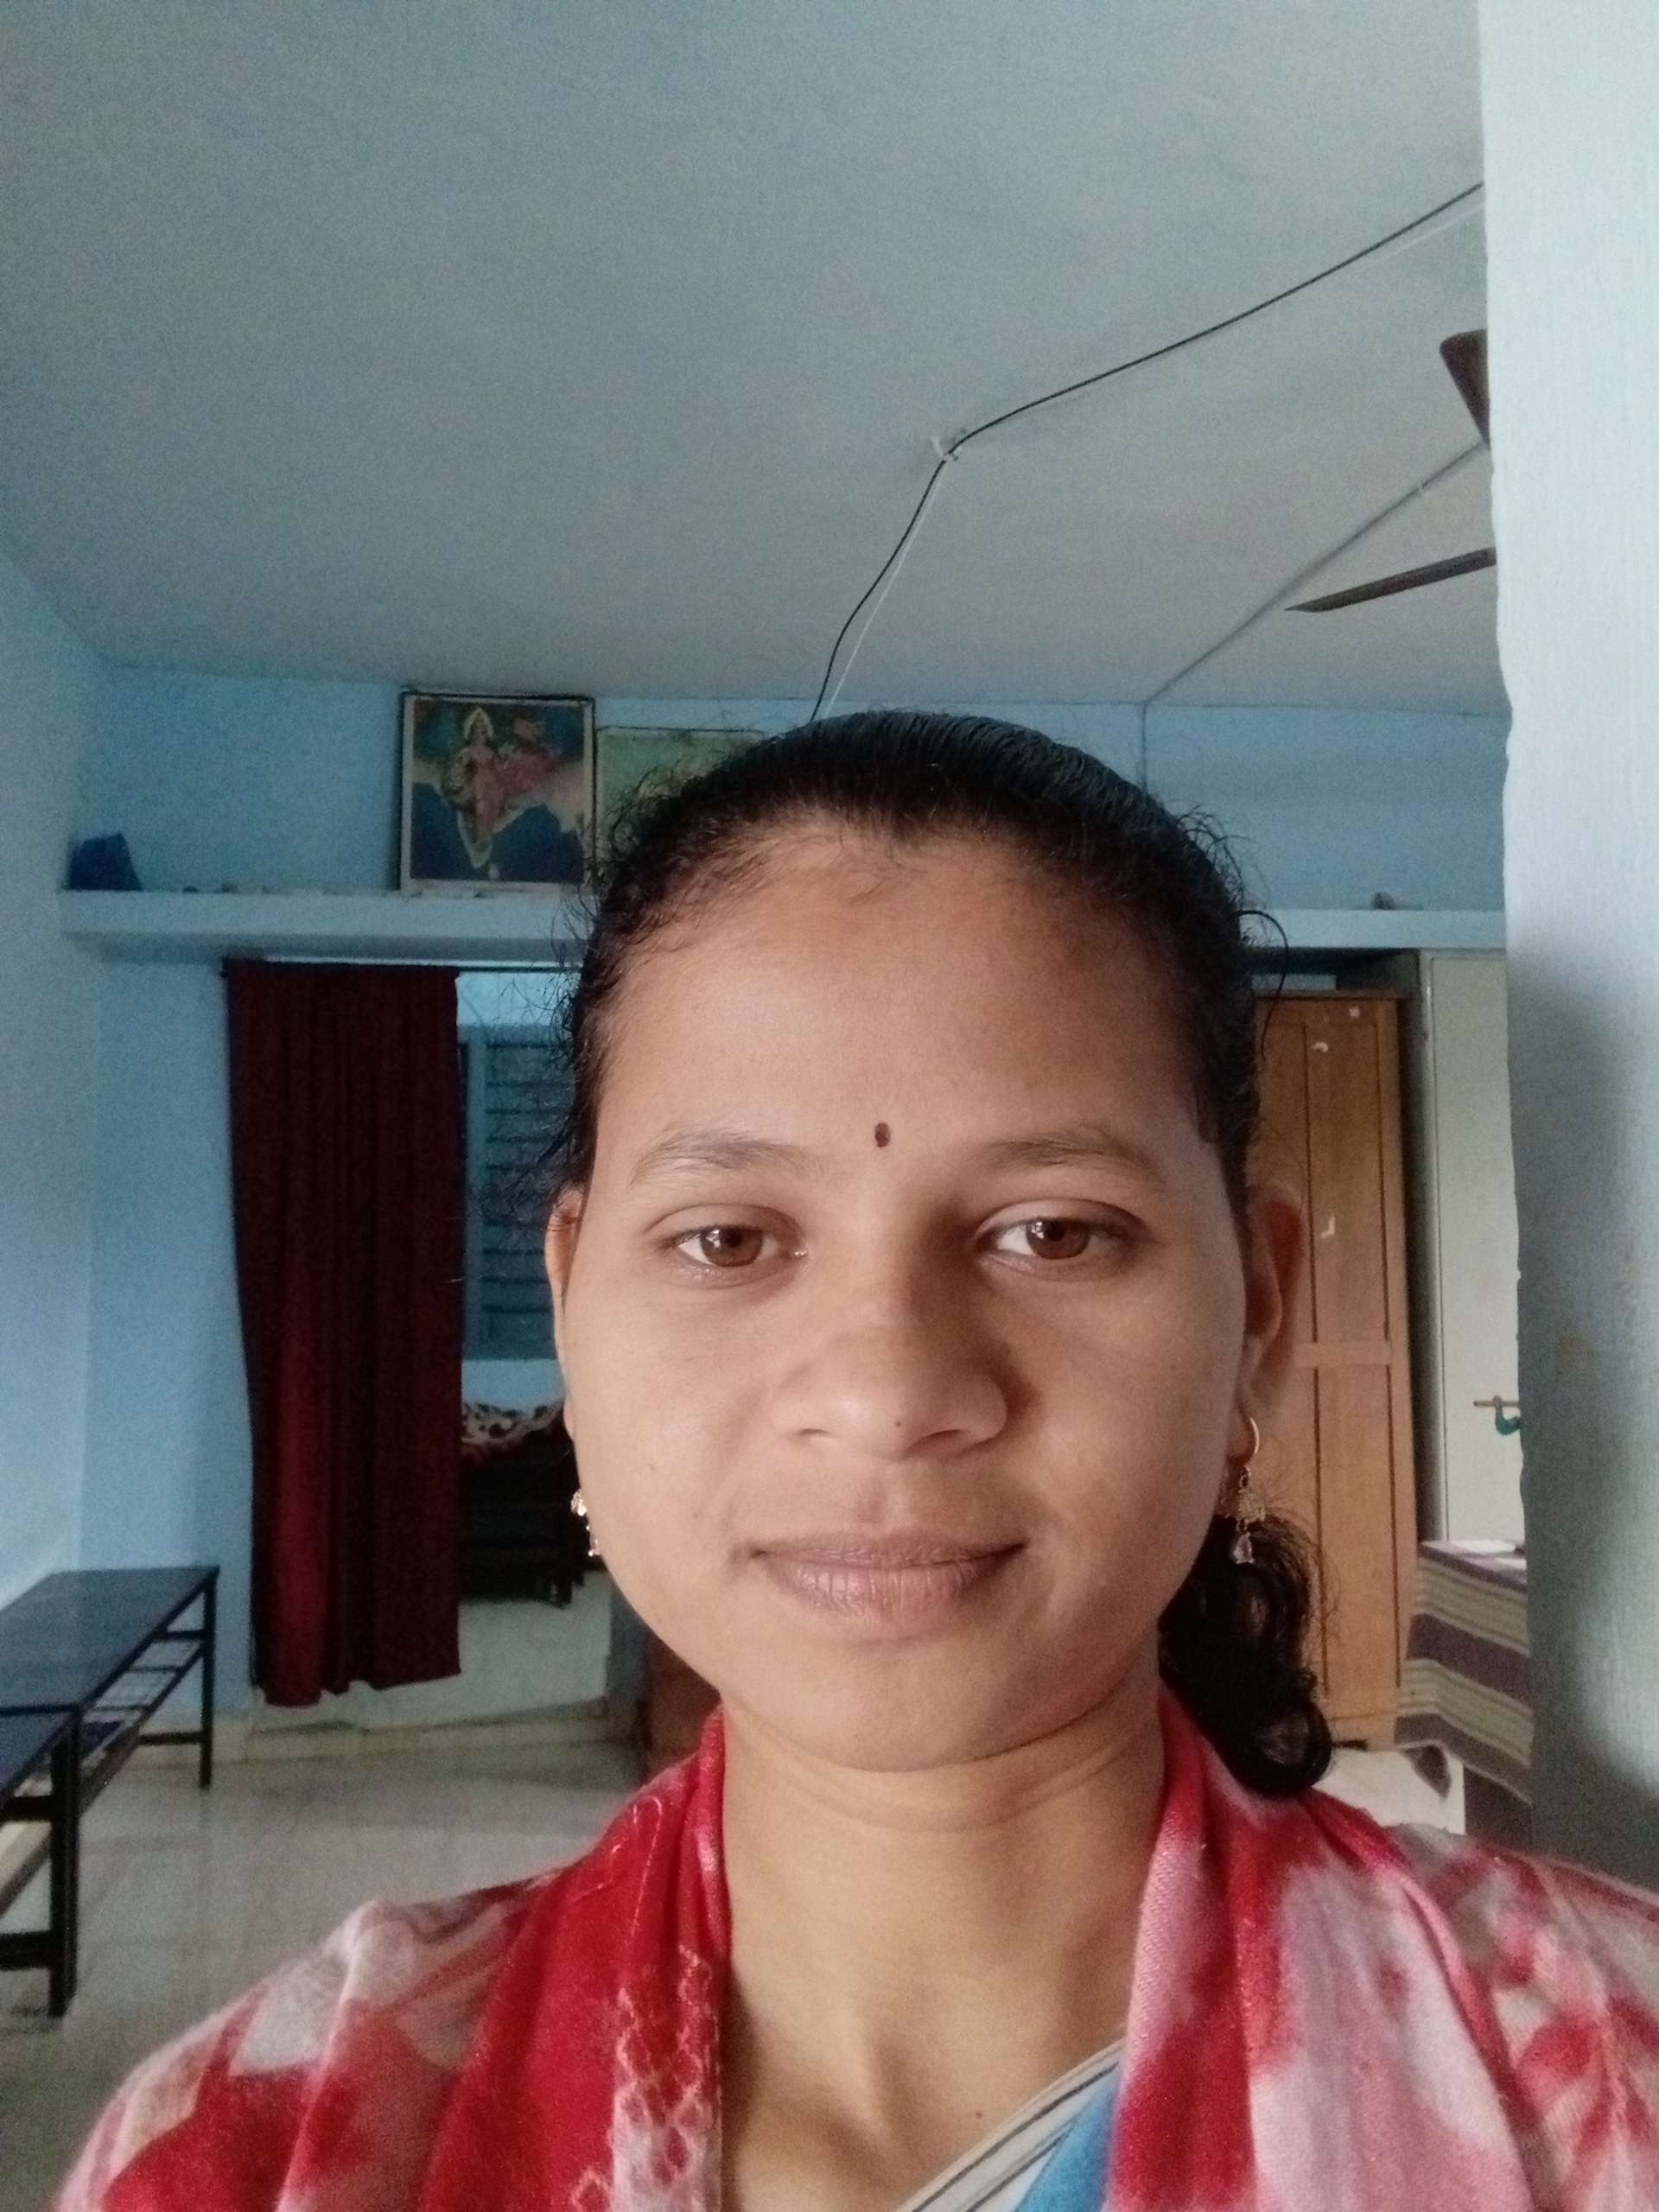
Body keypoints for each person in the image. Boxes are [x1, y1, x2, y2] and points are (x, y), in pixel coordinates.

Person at [59, 713, 1659, 2210]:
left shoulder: (1608, 2072)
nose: (888, 1396)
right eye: (728, 1238)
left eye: (1052, 1231)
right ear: (571, 1304)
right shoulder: (263, 2147)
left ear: (1259, 1309)